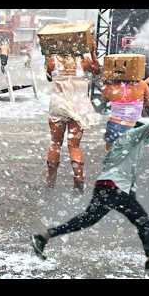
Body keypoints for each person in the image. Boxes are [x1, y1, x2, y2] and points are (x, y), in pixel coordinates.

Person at [31, 116, 149, 270]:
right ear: (144, 129)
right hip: (113, 188)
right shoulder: (133, 135)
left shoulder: (130, 142)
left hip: (107, 187)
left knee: (88, 219)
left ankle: (44, 236)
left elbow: (125, 168)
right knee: (142, 221)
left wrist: (131, 195)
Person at [44, 42, 100, 193]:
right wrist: (93, 52)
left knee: (55, 143)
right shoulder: (84, 61)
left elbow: (49, 78)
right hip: (79, 106)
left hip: (58, 104)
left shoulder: (52, 61)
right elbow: (97, 71)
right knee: (74, 145)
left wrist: (48, 55)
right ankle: (78, 179)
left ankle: (50, 181)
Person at [102, 74, 149, 151]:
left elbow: (104, 99)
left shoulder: (111, 85)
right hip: (135, 124)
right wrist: (142, 101)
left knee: (110, 148)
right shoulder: (142, 84)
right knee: (134, 149)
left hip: (115, 124)